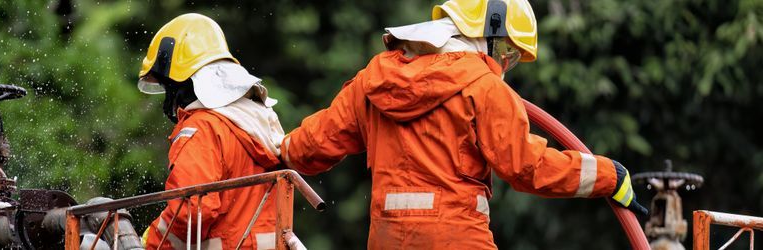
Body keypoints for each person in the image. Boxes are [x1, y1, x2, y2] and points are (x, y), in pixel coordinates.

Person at [278, 0, 646, 248]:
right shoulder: (483, 86)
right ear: (484, 34)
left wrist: (276, 147)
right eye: (506, 51)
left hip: (387, 239)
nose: (505, 64)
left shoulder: (372, 81)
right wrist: (608, 175)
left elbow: (310, 147)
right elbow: (528, 168)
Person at [136, 13, 286, 250]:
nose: (169, 101)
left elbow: (190, 212)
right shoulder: (258, 122)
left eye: (168, 87)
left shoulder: (202, 129)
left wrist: (151, 243)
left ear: (184, 83)